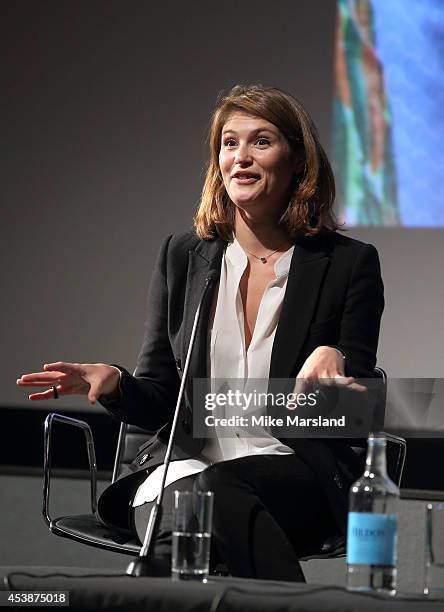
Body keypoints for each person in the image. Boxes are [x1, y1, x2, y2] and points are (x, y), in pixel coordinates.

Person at [17, 84, 384, 582]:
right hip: (185, 468)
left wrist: (334, 354)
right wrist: (114, 384)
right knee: (186, 514)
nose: (241, 157)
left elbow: (354, 407)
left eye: (262, 141)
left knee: (188, 517)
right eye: (229, 143)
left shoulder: (346, 264)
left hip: (294, 473)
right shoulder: (183, 256)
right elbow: (163, 399)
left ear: (298, 160)